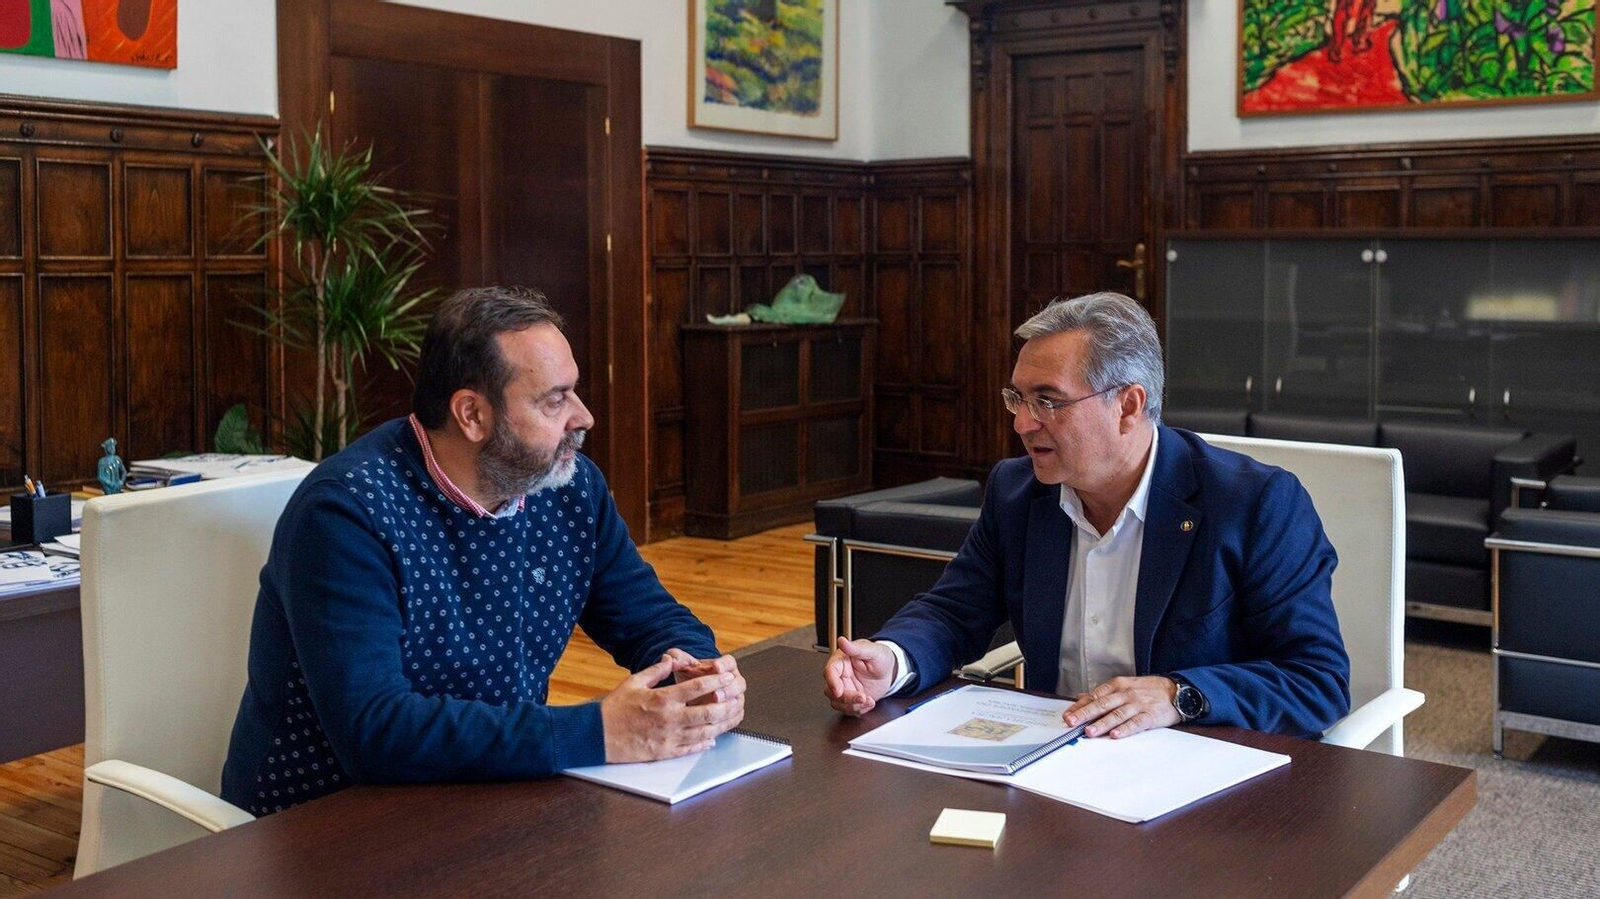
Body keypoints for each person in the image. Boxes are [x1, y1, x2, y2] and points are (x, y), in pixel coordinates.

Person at [222, 286, 745, 816]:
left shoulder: (568, 487)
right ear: (471, 414)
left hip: (491, 798)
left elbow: (649, 617)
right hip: (322, 828)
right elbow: (374, 732)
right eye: (554, 399)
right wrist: (599, 731)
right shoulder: (346, 514)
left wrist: (697, 676)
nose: (584, 417)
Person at [823, 292, 1350, 740]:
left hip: (1198, 771)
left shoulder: (1255, 504)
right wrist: (891, 661)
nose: (1023, 424)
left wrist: (1180, 694)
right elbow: (955, 611)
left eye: (1048, 401)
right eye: (1018, 399)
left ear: (1127, 405)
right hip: (1055, 760)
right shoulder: (1017, 491)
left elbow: (1316, 680)